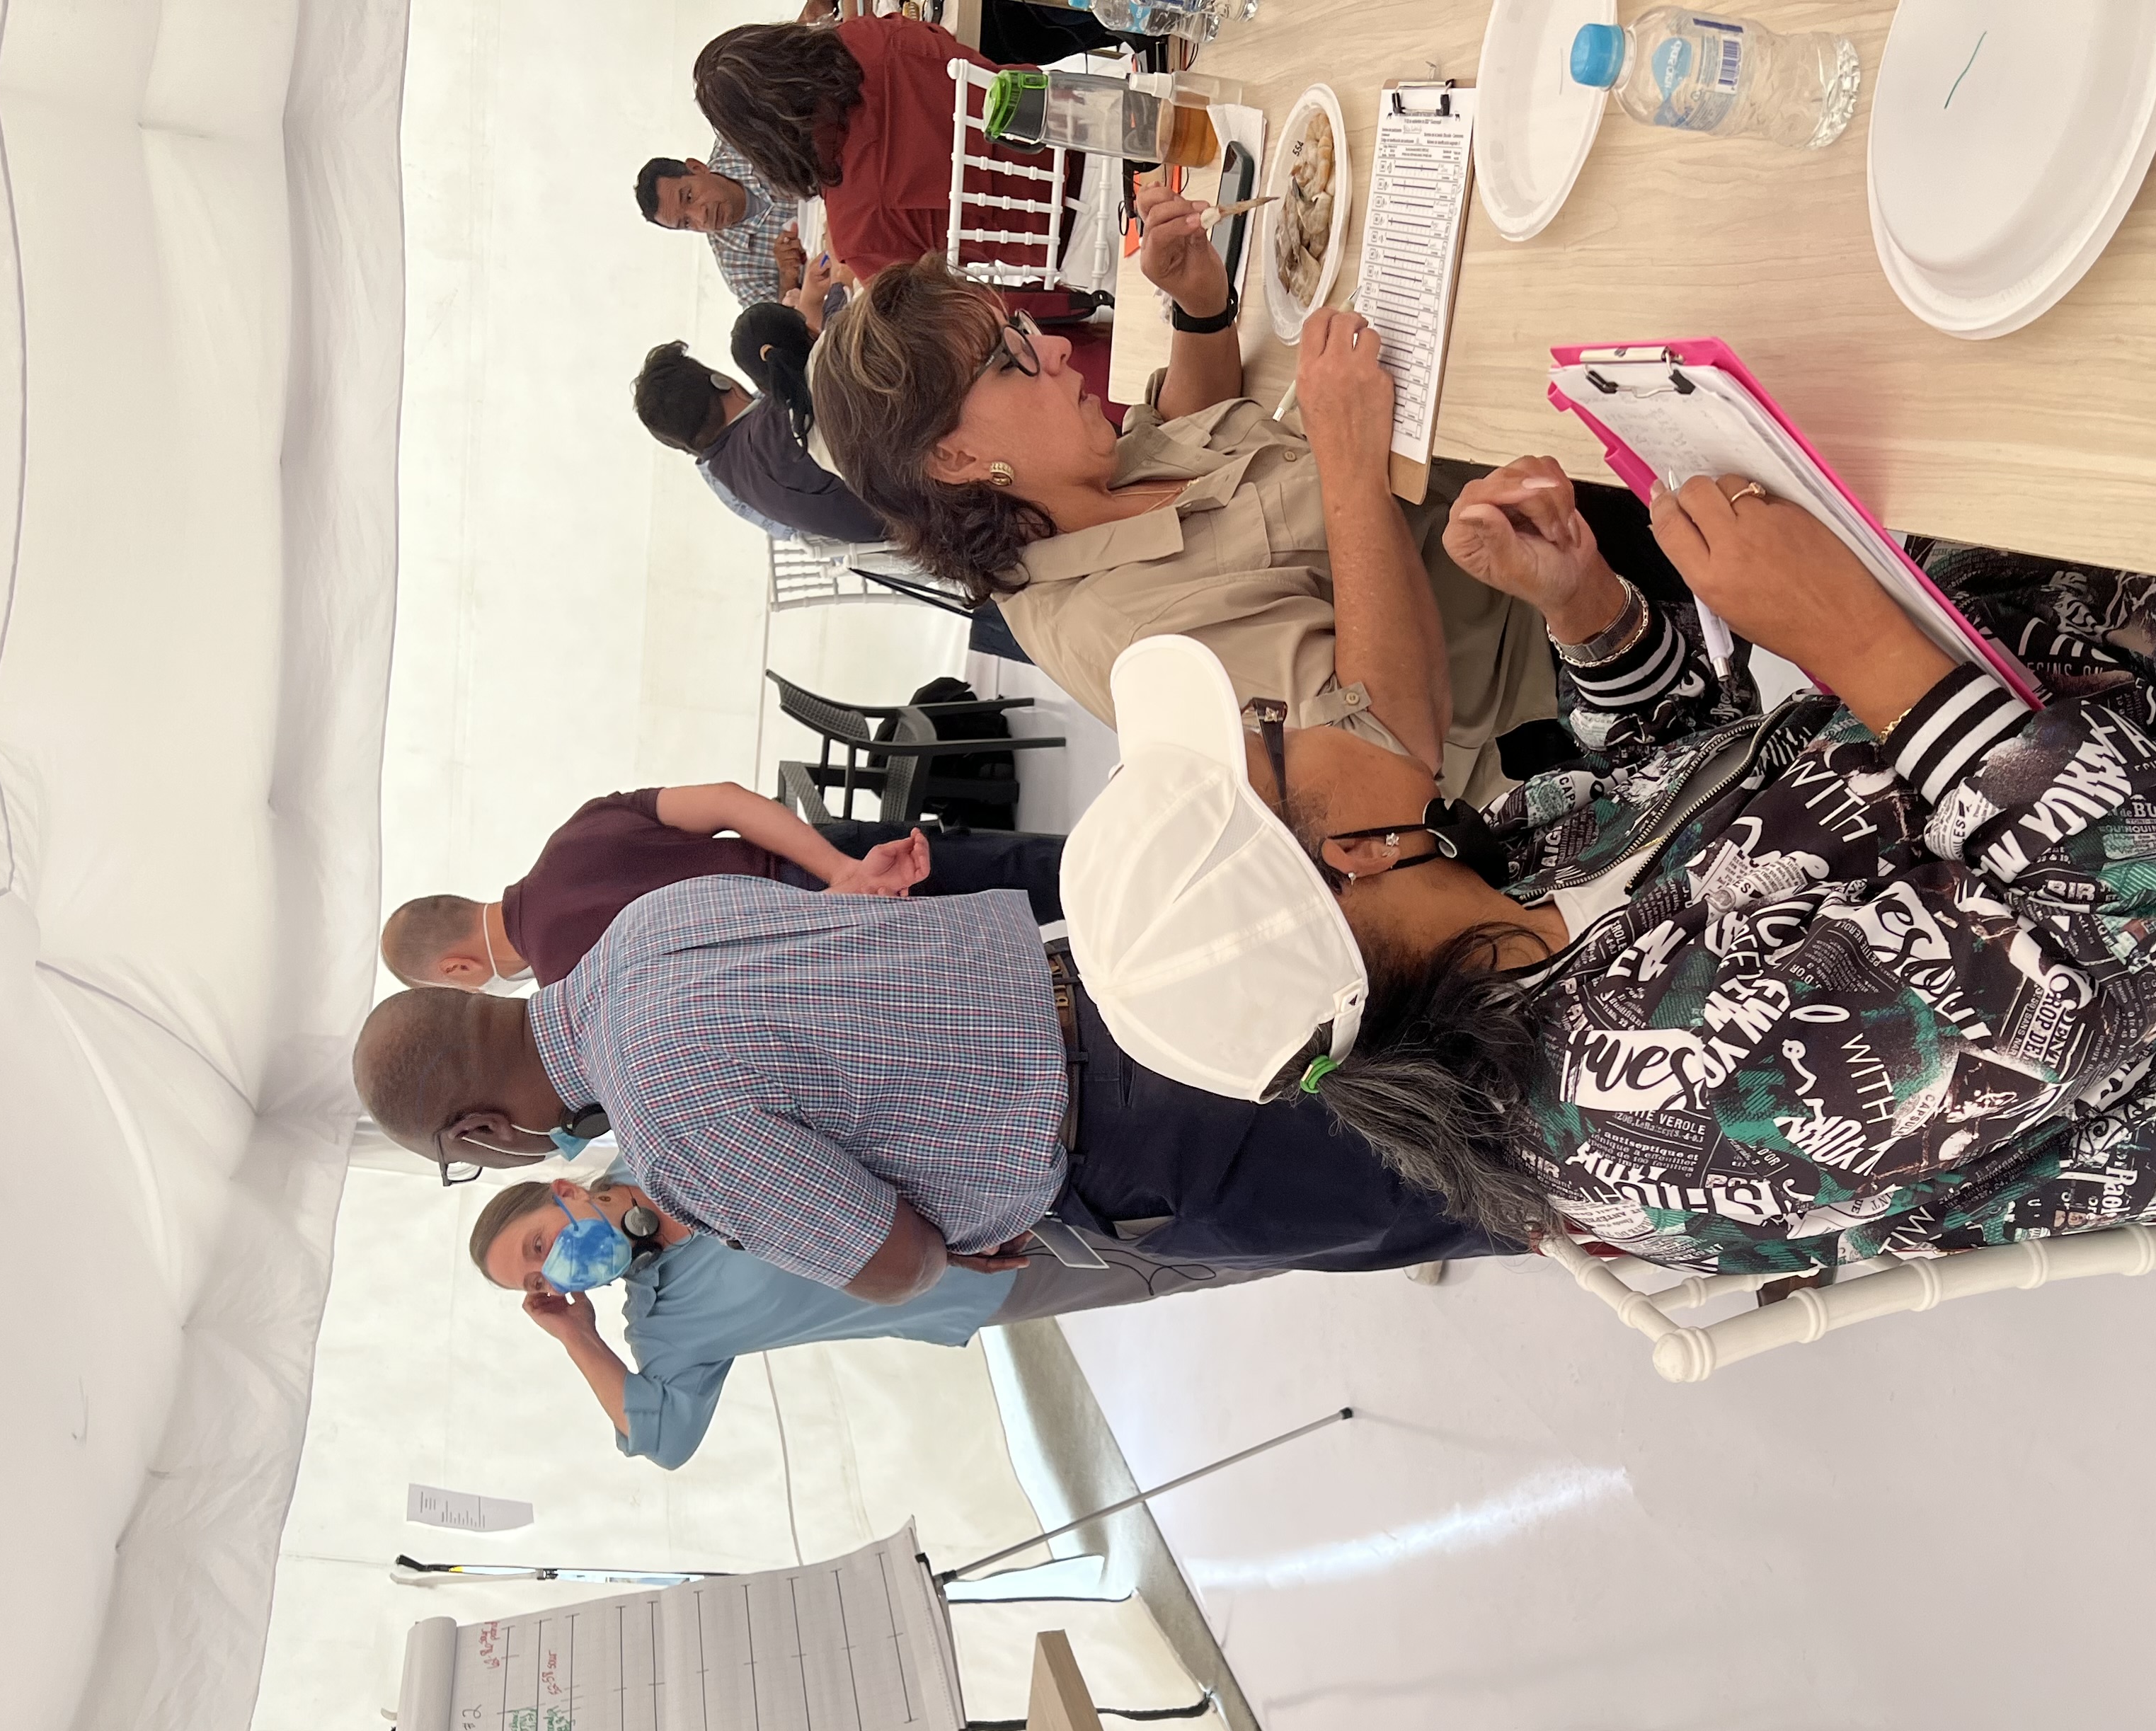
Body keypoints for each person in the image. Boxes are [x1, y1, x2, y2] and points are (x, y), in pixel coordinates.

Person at [1058, 478, 2156, 1277]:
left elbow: (1690, 779)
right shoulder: (1650, 1088)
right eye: (1272, 742)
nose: (1301, 715)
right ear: (1339, 864)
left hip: (2047, 734)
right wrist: (1852, 636)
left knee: (1996, 442)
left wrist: (1592, 619)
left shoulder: (1465, 912)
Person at [808, 190, 1692, 807]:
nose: (1056, 354)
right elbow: (1392, 751)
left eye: (1023, 327)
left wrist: (1199, 305)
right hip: (1559, 645)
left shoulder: (1062, 492)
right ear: (957, 457)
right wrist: (1347, 458)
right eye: (1010, 360)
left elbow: (1190, 429)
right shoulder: (1126, 640)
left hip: (1501, 486)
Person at [349, 873, 1513, 1297]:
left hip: (1139, 1131)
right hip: (1118, 972)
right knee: (1479, 1018)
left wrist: (924, 1245)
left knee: (1502, 1172)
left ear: (481, 1125)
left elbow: (894, 1259)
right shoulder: (644, 928)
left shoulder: (663, 1123)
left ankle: (1684, 1184)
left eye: (471, 1153)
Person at [467, 1167, 1262, 1468]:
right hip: (986, 1282)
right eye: (537, 1280)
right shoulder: (667, 1325)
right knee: (1204, 1249)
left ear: (566, 1192)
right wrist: (579, 1337)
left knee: (1189, 1162)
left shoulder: (659, 1142)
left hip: (977, 1167)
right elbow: (661, 1437)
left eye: (540, 1243)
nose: (554, 1269)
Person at [380, 779, 1065, 992]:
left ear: (460, 967)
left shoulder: (573, 985)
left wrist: (840, 903)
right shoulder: (577, 831)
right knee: (1056, 871)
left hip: (852, 954)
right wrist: (843, 872)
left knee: (1063, 976)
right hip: (848, 858)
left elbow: (739, 977)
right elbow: (730, 801)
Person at [691, 15, 1073, 296]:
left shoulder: (854, 229)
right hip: (1075, 118)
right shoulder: (868, 36)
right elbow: (952, 48)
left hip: (1068, 240)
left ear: (761, 145)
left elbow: (931, 306)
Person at [633, 338, 887, 546]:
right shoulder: (779, 423)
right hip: (912, 494)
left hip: (898, 528)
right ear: (720, 381)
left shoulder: (734, 480)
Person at [634, 139, 843, 314]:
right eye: (687, 223)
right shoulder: (737, 264)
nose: (701, 216)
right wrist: (787, 277)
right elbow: (780, 335)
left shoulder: (740, 140)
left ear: (697, 168)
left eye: (689, 197)